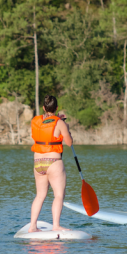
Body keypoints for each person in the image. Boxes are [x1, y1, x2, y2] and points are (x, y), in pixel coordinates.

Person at [29, 95, 73, 233]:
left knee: (40, 195)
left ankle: (32, 227)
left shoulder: (35, 121)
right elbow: (69, 142)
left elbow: (46, 124)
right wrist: (66, 127)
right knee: (59, 195)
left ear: (43, 108)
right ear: (57, 108)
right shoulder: (60, 123)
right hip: (53, 162)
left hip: (38, 163)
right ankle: (56, 226)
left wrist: (58, 120)